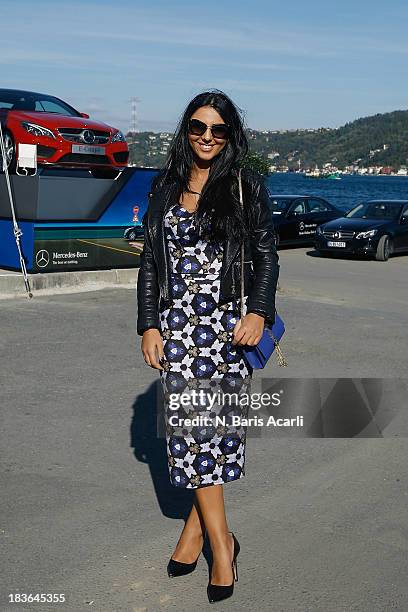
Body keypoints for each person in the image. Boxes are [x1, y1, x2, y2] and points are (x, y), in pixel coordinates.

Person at [137, 89, 280, 603]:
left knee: (213, 437)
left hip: (225, 330)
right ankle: (214, 537)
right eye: (199, 127)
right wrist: (148, 325)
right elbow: (151, 264)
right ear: (186, 129)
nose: (207, 137)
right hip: (178, 332)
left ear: (230, 135)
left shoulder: (245, 187)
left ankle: (211, 541)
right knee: (191, 436)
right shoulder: (165, 185)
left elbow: (267, 255)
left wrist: (259, 312)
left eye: (218, 130)